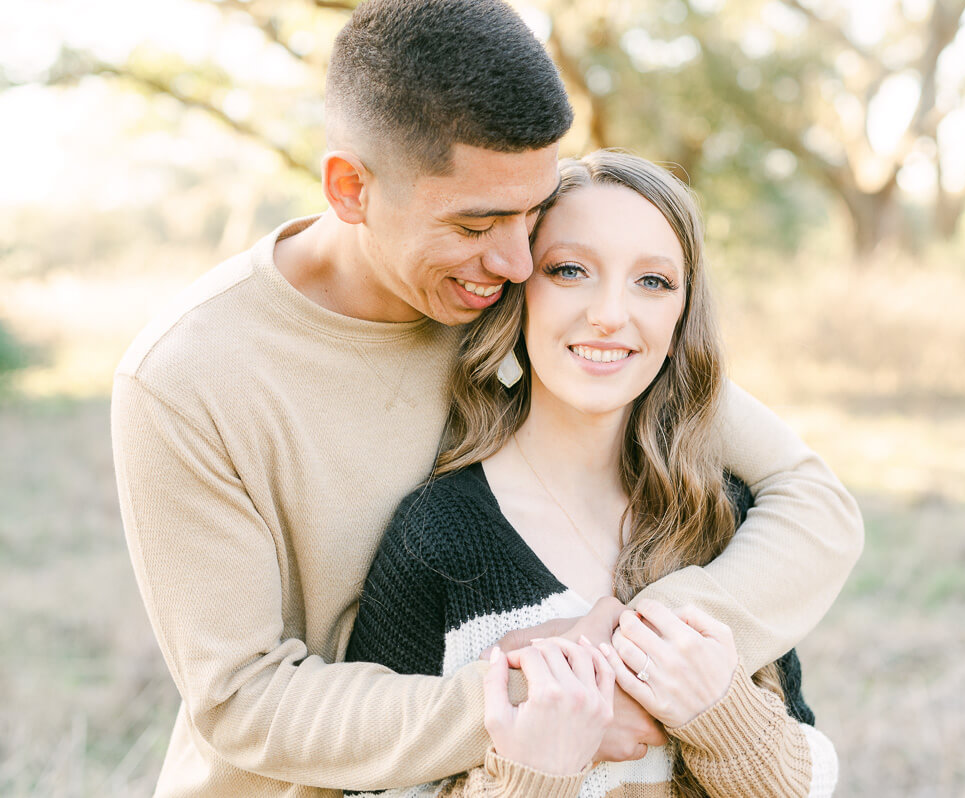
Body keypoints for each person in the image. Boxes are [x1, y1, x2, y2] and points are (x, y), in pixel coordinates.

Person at [110, 1, 863, 796]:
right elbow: (241, 700)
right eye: (478, 224)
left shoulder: (518, 296)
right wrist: (531, 699)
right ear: (350, 188)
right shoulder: (185, 378)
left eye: (533, 213)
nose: (513, 257)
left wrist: (654, 637)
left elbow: (809, 494)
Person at [344, 150, 840, 797]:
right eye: (570, 270)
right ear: (519, 290)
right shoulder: (438, 535)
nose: (610, 313)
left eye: (653, 282)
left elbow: (804, 779)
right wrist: (532, 774)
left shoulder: (719, 516)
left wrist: (722, 715)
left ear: (680, 316)